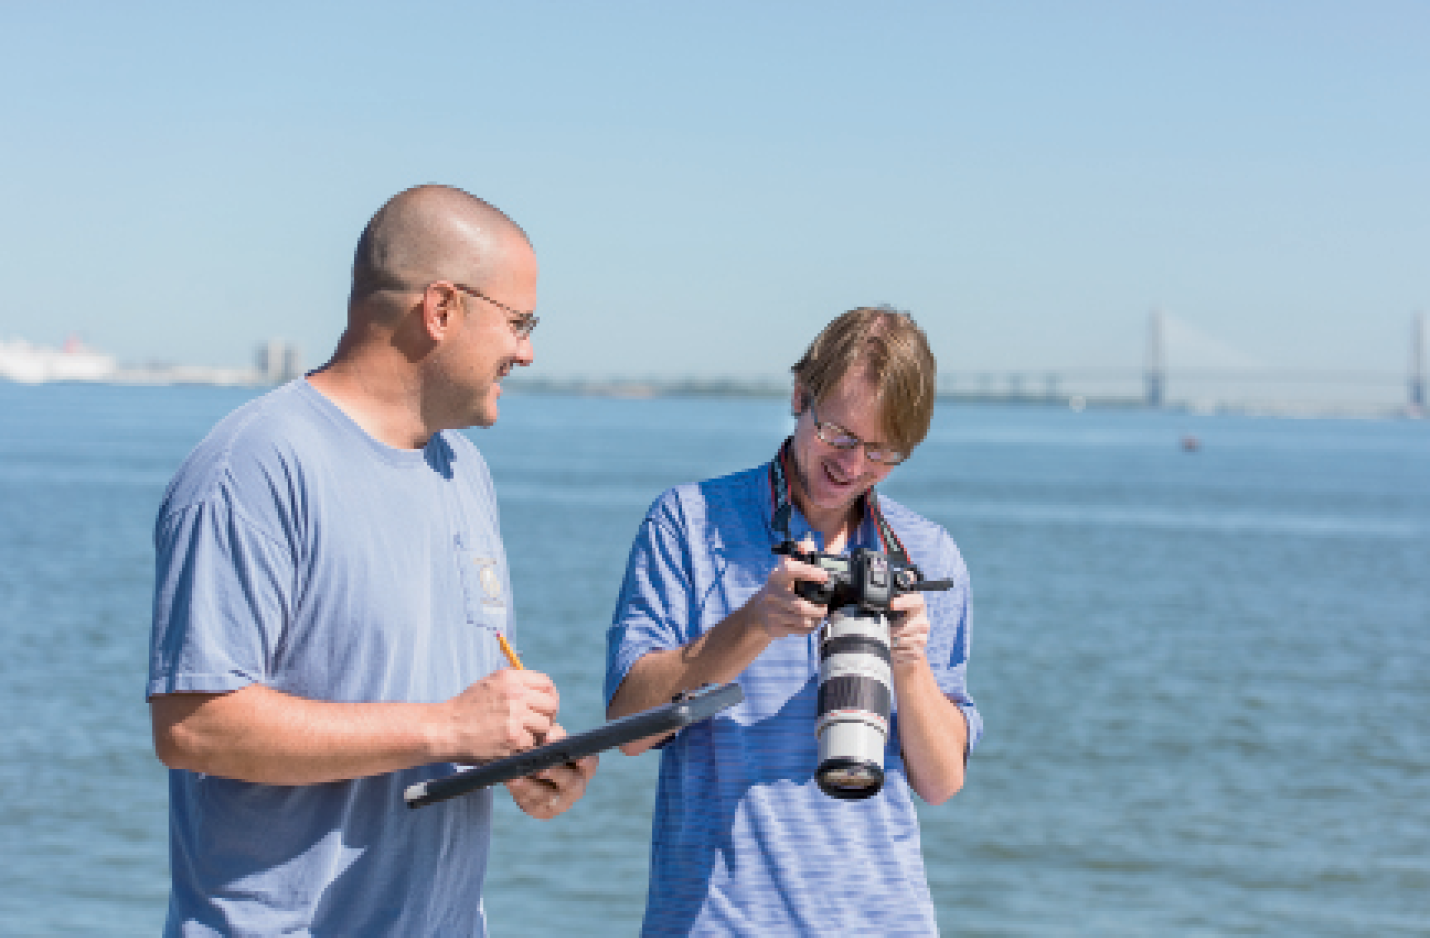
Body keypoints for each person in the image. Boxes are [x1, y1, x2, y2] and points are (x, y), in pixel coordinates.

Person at [147, 184, 597, 936]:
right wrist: (447, 729)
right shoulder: (253, 467)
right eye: (518, 323)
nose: (527, 350)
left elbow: (449, 706)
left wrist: (521, 756)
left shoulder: (465, 473)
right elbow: (193, 728)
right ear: (442, 309)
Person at [605, 306, 981, 935]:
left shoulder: (925, 554)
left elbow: (941, 782)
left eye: (882, 451)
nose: (853, 466)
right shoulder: (689, 522)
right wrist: (755, 623)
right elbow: (628, 726)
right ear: (800, 393)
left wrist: (909, 663)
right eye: (837, 433)